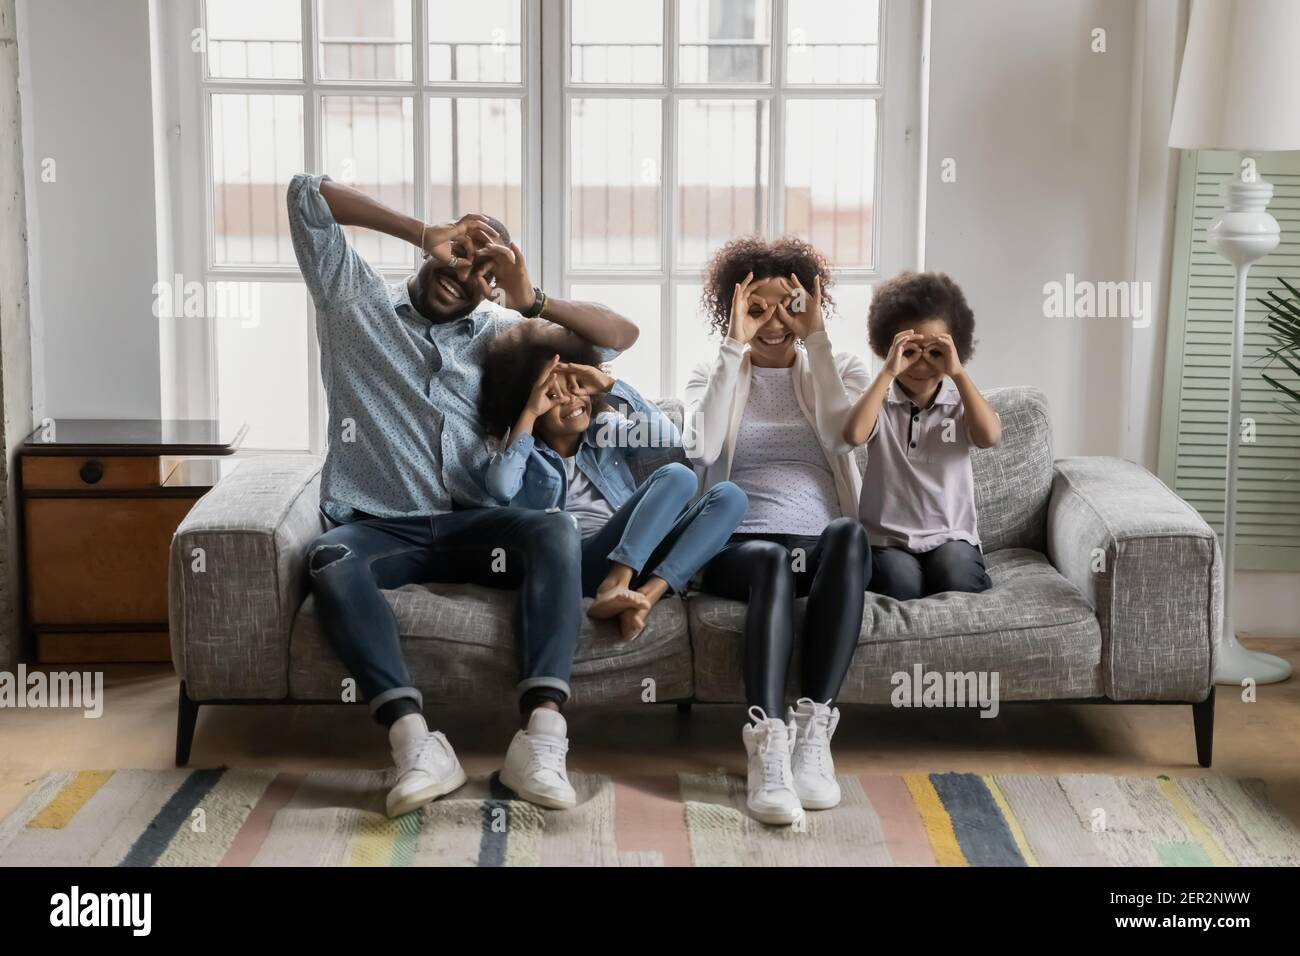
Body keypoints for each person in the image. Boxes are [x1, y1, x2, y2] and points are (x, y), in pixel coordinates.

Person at [287, 173, 639, 817]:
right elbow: (306, 194)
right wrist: (423, 231)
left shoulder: (504, 338)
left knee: (555, 527)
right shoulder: (351, 301)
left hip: (478, 527)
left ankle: (540, 741)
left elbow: (619, 337)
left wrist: (530, 298)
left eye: (485, 268)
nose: (465, 268)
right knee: (330, 556)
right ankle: (416, 745)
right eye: (460, 248)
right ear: (437, 246)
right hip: (383, 527)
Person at [684, 237, 872, 826]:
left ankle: (814, 734)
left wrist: (815, 342)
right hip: (735, 548)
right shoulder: (711, 368)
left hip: (816, 544)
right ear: (734, 309)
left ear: (810, 305)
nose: (774, 323)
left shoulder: (838, 366)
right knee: (766, 559)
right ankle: (768, 743)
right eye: (757, 308)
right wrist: (730, 348)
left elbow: (845, 437)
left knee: (850, 535)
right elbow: (703, 446)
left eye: (788, 305)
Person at [479, 320, 747, 642]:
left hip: (638, 558)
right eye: (553, 394)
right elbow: (501, 486)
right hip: (578, 561)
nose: (572, 400)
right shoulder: (525, 454)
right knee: (677, 477)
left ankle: (644, 597)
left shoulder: (604, 431)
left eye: (575, 385)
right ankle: (613, 584)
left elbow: (666, 440)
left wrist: (608, 385)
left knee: (729, 496)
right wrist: (529, 412)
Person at [842, 271, 1002, 599]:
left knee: (957, 575)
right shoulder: (881, 402)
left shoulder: (960, 402)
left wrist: (957, 372)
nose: (922, 364)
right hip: (887, 542)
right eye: (911, 351)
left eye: (935, 352)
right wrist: (887, 372)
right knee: (901, 584)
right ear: (889, 347)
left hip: (951, 538)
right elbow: (853, 435)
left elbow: (989, 436)